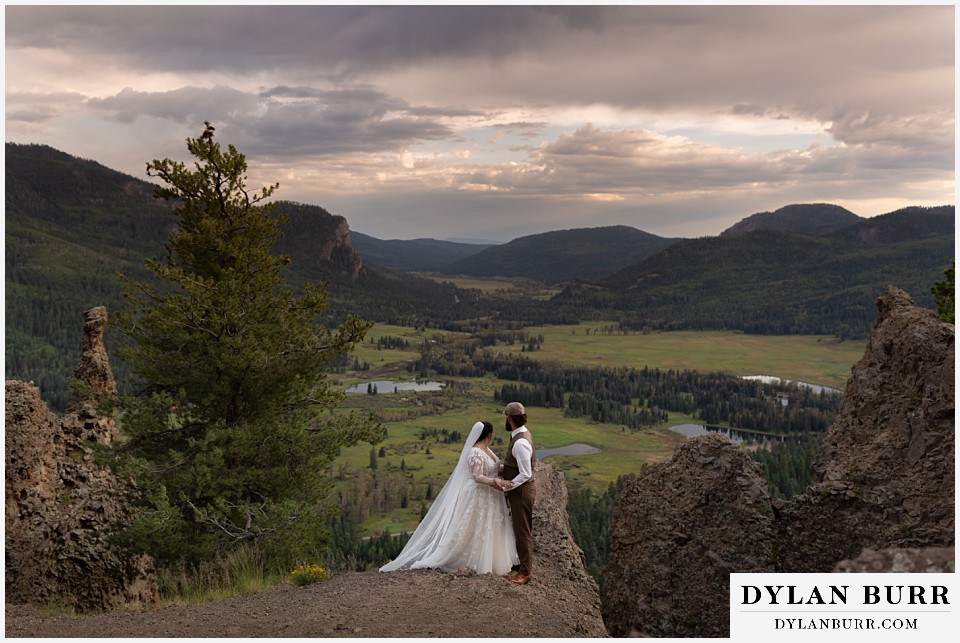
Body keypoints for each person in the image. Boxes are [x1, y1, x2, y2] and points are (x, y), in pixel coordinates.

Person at [379, 421, 519, 575]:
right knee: (477, 526)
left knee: (492, 525)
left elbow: (493, 467)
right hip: (480, 495)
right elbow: (477, 476)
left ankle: (494, 560)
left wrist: (509, 469)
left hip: (492, 494)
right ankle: (474, 560)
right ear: (489, 434)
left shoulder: (487, 450)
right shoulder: (475, 452)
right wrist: (496, 481)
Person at [501, 401, 536, 585]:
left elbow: (525, 473)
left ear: (509, 418)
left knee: (522, 531)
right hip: (520, 491)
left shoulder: (520, 442)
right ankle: (522, 565)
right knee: (520, 529)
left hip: (521, 492)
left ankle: (525, 572)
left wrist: (508, 484)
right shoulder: (521, 436)